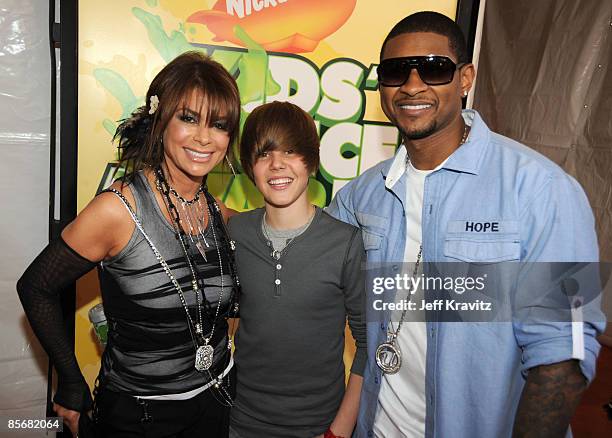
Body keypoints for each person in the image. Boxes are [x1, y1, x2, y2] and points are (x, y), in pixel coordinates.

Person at [327, 11, 605, 438]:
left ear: (465, 77)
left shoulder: (541, 190)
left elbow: (562, 358)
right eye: (396, 71)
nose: (412, 85)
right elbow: (302, 244)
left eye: (434, 69)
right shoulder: (362, 195)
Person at [16, 51, 241, 437]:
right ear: (160, 121)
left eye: (218, 125)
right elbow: (35, 286)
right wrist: (70, 382)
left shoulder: (220, 213)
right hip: (140, 417)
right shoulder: (118, 210)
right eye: (188, 118)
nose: (205, 137)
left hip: (219, 400)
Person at [227, 101, 366, 438]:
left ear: (312, 161)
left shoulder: (346, 242)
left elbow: (367, 343)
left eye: (290, 151)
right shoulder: (236, 233)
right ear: (249, 167)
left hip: (318, 426)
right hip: (238, 420)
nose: (277, 165)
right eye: (263, 154)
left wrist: (339, 431)